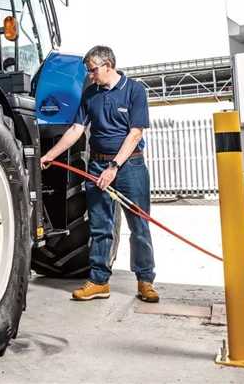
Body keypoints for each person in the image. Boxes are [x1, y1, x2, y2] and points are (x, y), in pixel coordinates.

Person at [40, 45, 159, 303]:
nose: (90, 75)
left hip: (129, 167)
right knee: (100, 227)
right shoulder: (90, 94)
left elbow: (135, 134)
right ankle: (99, 281)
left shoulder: (134, 90)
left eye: (93, 70)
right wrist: (50, 155)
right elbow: (76, 129)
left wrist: (113, 167)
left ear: (108, 65)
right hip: (97, 166)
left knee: (139, 226)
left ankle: (145, 281)